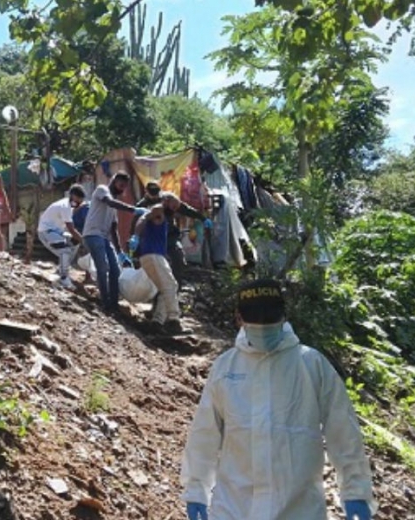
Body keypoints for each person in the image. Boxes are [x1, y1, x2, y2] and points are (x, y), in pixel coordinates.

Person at [180, 278, 376, 520]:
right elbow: (204, 434)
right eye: (255, 318)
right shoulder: (225, 368)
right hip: (234, 508)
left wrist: (355, 491)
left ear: (284, 316)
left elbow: (343, 430)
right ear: (239, 318)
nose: (262, 325)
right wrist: (196, 490)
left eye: (269, 318)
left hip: (299, 509)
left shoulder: (311, 365)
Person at [81, 172, 148, 314]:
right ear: (114, 181)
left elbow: (113, 229)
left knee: (115, 270)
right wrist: (133, 210)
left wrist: (120, 252)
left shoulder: (114, 204)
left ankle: (114, 304)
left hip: (104, 238)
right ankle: (105, 304)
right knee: (103, 267)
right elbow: (109, 202)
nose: (122, 189)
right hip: (92, 234)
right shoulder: (102, 190)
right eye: (120, 185)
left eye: (124, 187)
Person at [136, 183, 211, 287]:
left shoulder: (169, 199)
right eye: (152, 195)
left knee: (178, 260)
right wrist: (135, 237)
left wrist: (203, 218)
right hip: (152, 240)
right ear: (147, 193)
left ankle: (177, 288)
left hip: (169, 237)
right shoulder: (142, 206)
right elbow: (137, 221)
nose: (155, 197)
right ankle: (152, 290)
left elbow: (186, 209)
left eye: (157, 194)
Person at [130, 204, 186, 334]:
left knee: (165, 288)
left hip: (151, 256)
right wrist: (136, 235)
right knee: (171, 285)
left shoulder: (164, 218)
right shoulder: (159, 209)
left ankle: (157, 322)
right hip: (153, 255)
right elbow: (143, 218)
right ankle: (174, 320)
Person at [38, 184, 87, 289]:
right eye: (78, 200)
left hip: (56, 232)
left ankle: (61, 268)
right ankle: (64, 277)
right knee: (65, 250)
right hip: (46, 232)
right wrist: (85, 242)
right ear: (73, 196)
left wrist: (80, 240)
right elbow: (71, 229)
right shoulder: (65, 206)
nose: (79, 203)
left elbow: (72, 213)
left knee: (74, 242)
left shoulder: (67, 204)